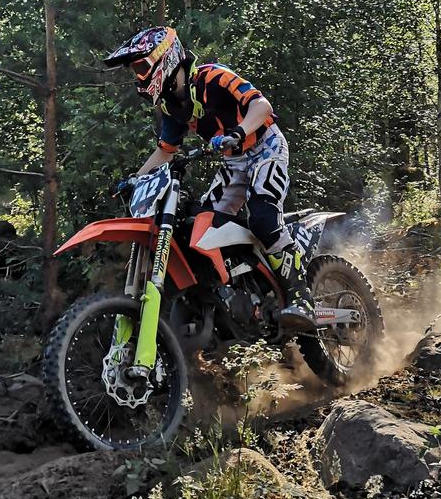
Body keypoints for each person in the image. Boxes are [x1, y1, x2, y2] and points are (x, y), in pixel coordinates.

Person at [103, 25, 316, 333]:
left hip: (266, 147)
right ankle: (242, 289)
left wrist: (238, 132)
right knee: (204, 228)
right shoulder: (173, 106)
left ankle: (301, 297)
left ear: (166, 59)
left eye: (141, 67)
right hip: (234, 161)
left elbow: (262, 106)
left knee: (262, 218)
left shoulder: (214, 77)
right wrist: (134, 179)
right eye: (136, 70)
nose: (139, 77)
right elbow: (165, 151)